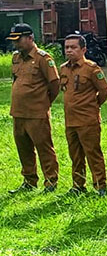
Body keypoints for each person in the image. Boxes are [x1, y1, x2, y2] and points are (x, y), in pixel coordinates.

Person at [8, 23, 60, 194]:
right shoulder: (16, 57)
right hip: (18, 112)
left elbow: (54, 84)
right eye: (13, 40)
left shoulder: (43, 59)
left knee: (44, 147)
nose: (16, 44)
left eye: (19, 40)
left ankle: (51, 181)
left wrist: (45, 102)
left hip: (37, 112)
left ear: (30, 38)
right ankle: (29, 181)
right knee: (23, 148)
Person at [59, 34, 107, 195]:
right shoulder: (63, 69)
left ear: (83, 49)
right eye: (67, 47)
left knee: (93, 153)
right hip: (70, 120)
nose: (69, 50)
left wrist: (93, 106)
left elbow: (103, 91)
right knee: (75, 155)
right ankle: (78, 185)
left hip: (88, 120)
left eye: (73, 47)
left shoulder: (91, 68)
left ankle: (100, 185)